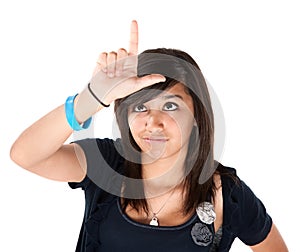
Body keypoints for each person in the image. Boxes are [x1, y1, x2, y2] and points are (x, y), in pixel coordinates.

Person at [10, 20, 288, 252]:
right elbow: (26, 155)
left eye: (170, 106)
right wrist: (92, 97)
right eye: (140, 106)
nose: (153, 122)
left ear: (196, 116)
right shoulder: (106, 163)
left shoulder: (227, 194)